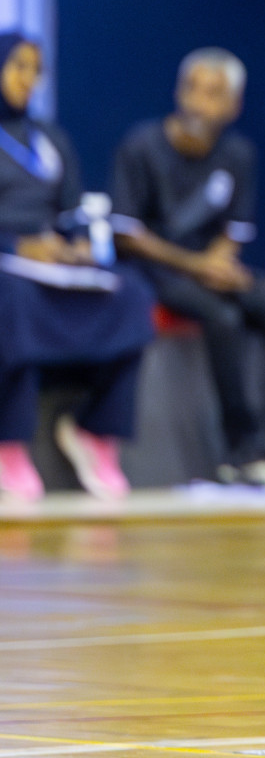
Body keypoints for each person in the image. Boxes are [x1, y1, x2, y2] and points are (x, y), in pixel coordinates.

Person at [113, 48, 265, 486]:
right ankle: (237, 447)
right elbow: (126, 234)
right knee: (224, 318)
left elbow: (235, 229)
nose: (199, 104)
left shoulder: (238, 154)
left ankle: (262, 442)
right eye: (192, 90)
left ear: (234, 106)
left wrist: (219, 261)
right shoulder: (141, 145)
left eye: (213, 94)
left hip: (210, 267)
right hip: (155, 267)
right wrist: (197, 265)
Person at [0, 32, 155, 502]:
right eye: (18, 67)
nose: (28, 79)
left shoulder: (50, 138)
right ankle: (9, 444)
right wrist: (16, 246)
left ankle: (96, 430)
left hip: (51, 261)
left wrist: (80, 243)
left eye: (35, 70)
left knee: (130, 290)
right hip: (8, 262)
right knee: (12, 299)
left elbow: (71, 211)